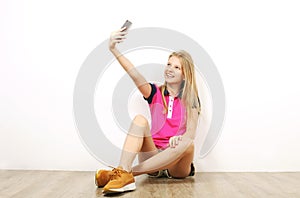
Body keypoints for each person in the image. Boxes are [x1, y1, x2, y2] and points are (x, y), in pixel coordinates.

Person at [95, 26, 201, 194]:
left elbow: (191, 133)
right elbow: (134, 74)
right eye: (168, 64)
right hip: (153, 157)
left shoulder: (191, 99)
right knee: (139, 120)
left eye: (176, 67)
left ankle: (126, 174)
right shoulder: (155, 93)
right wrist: (113, 49)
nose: (169, 69)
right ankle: (123, 172)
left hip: (177, 163)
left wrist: (179, 138)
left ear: (185, 75)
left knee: (188, 143)